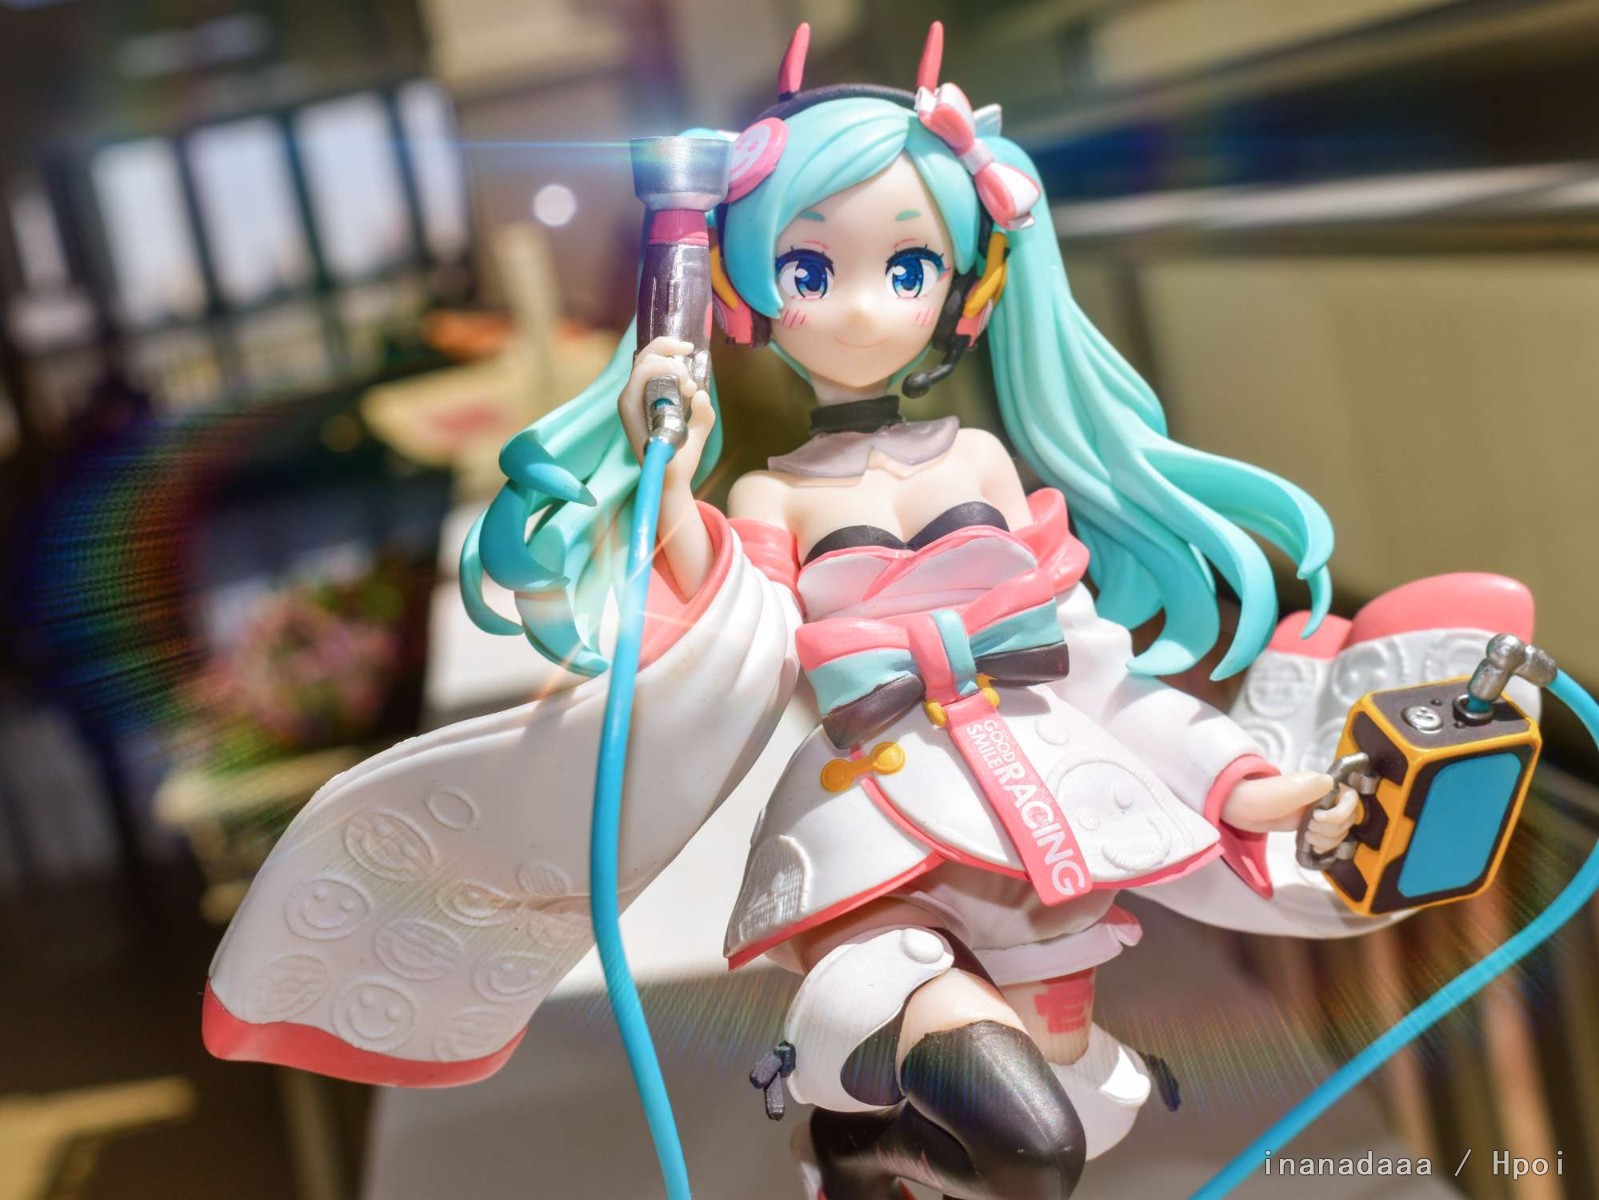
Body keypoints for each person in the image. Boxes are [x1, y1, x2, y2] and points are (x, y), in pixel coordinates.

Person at [204, 23, 1537, 1200]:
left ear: (959, 286)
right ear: (750, 287)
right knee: (1018, 1129)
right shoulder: (773, 495)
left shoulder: (984, 465)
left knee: (1061, 1119)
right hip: (875, 843)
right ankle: (858, 1124)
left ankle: (857, 1152)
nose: (856, 306)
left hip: (1044, 828)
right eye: (809, 267)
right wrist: (667, 456)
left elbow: (1092, 675)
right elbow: (720, 611)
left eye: (905, 269)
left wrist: (1259, 789)